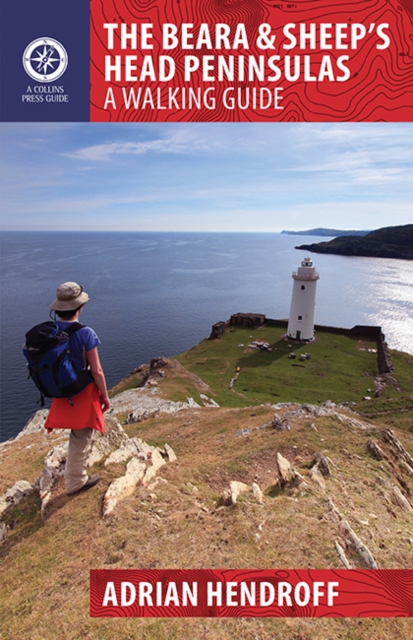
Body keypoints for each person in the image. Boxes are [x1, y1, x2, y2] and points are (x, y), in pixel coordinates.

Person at [44, 282, 111, 496]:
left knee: (77, 434)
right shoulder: (86, 333)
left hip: (61, 390)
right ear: (80, 307)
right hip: (82, 392)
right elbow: (97, 370)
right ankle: (75, 482)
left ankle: (74, 474)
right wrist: (105, 397)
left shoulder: (50, 331)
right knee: (82, 435)